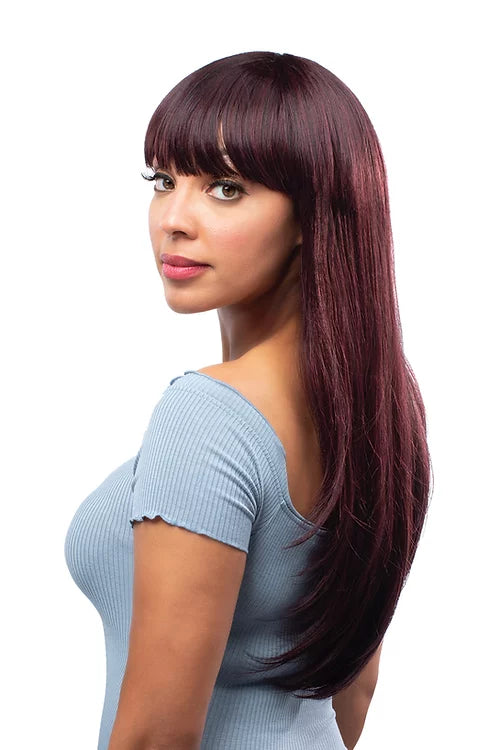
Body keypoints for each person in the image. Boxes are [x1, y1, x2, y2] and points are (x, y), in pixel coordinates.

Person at [64, 50, 432, 750]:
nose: (174, 218)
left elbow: (155, 737)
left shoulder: (209, 416)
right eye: (163, 180)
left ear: (310, 215)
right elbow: (353, 686)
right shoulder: (382, 408)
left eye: (225, 188)